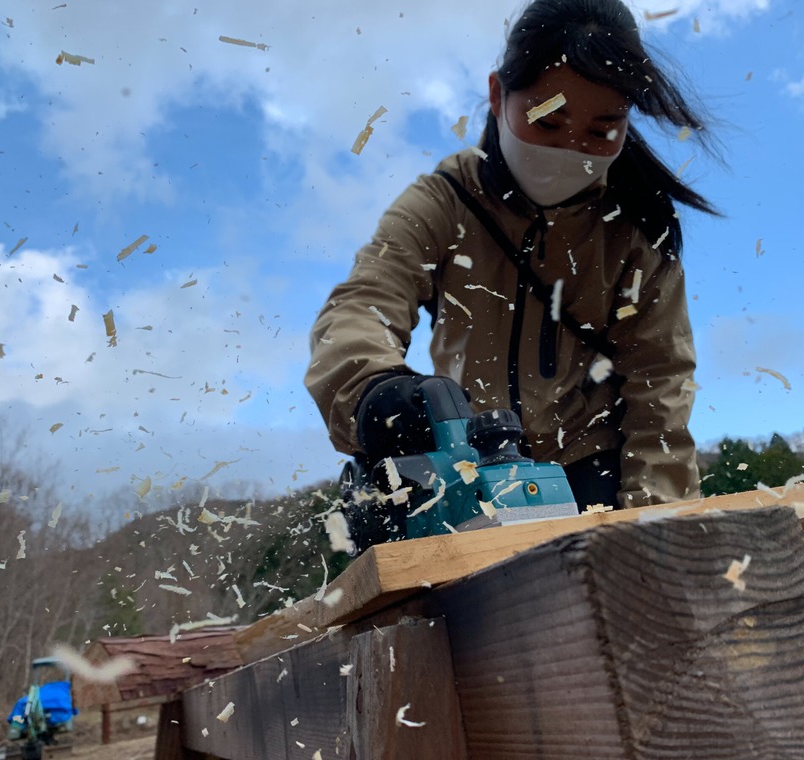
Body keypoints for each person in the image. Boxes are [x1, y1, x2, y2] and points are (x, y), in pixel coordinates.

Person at [305, 0, 722, 511]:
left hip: (591, 473)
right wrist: (372, 392)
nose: (572, 149)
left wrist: (655, 519)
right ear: (498, 95)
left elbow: (660, 383)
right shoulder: (445, 201)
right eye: (548, 123)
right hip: (470, 468)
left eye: (600, 131)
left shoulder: (636, 229)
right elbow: (361, 306)